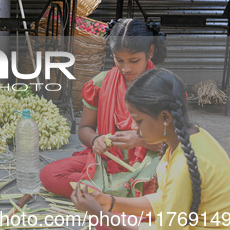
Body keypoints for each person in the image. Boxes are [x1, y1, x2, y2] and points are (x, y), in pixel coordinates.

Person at [71, 68, 230, 230]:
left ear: (165, 117)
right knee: (106, 222)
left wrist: (97, 211)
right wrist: (110, 202)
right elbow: (164, 201)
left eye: (138, 120)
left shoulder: (185, 162)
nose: (134, 127)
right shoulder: (186, 141)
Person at [40, 19, 167, 198]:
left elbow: (176, 141)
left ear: (150, 51)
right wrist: (96, 140)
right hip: (107, 162)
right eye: (119, 60)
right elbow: (84, 129)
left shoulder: (165, 87)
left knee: (180, 181)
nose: (126, 68)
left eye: (134, 60)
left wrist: (140, 140)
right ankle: (123, 193)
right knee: (50, 175)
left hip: (149, 162)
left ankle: (104, 194)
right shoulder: (100, 83)